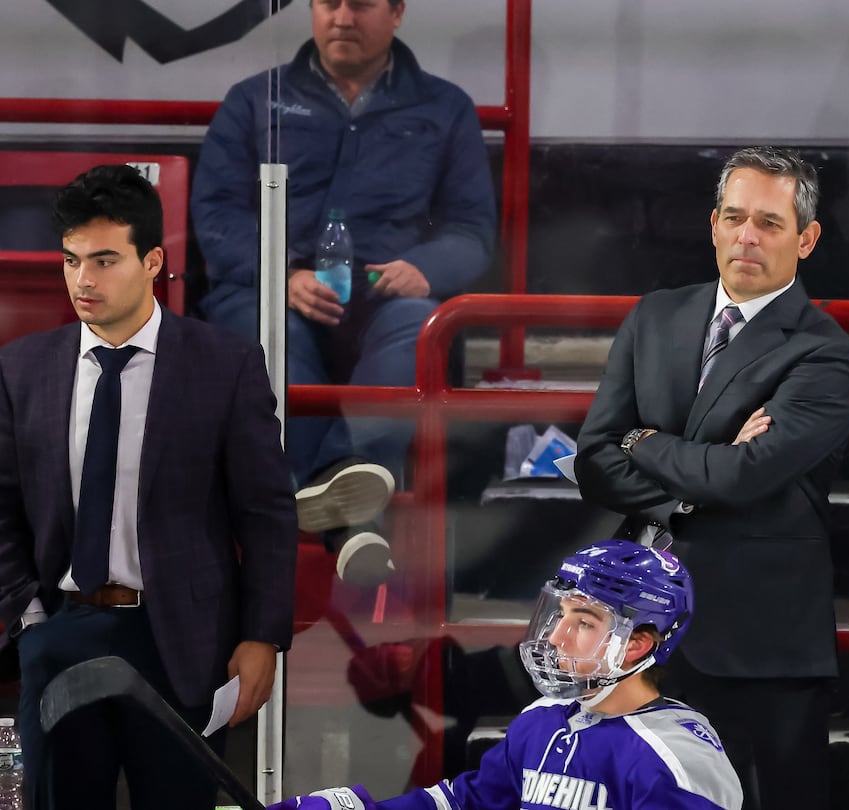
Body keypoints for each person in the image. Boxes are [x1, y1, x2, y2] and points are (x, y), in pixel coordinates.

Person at [573, 146, 849, 810]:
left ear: (807, 237)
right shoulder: (655, 316)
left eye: (769, 222)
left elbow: (746, 475)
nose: (746, 237)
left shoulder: (826, 352)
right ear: (713, 224)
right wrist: (700, 476)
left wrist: (644, 441)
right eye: (734, 217)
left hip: (762, 644)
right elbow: (594, 459)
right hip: (644, 626)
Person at [0, 165, 296, 809]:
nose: (84, 280)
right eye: (72, 260)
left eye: (105, 260)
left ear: (154, 260)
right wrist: (27, 620)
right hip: (60, 630)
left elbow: (266, 514)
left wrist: (262, 636)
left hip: (182, 642)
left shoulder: (224, 364)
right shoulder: (22, 367)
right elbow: (2, 509)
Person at [192, 0, 497, 585]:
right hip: (274, 287)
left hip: (385, 292)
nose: (342, 18)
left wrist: (424, 269)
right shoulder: (254, 100)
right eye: (328, 3)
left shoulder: (444, 107)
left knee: (422, 326)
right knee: (268, 331)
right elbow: (216, 214)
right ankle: (350, 516)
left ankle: (330, 484)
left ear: (397, 13)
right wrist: (279, 275)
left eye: (360, 4)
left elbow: (472, 229)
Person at [266, 539, 743, 810]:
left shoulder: (677, 760)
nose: (556, 638)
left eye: (584, 622)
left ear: (637, 644)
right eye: (561, 615)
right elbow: (466, 802)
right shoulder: (544, 719)